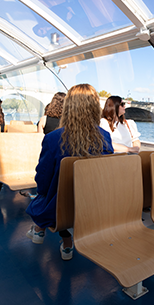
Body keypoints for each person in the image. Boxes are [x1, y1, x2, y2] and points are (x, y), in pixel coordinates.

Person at [26, 84, 113, 261]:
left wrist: (43, 194)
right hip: (95, 205)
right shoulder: (105, 137)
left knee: (51, 195)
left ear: (68, 107)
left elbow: (43, 179)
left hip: (61, 207)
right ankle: (63, 242)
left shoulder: (53, 138)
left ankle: (40, 229)